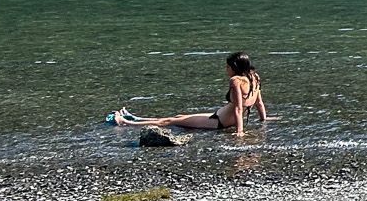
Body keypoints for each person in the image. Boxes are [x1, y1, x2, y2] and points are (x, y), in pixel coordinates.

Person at [113, 53, 268, 138]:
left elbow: (238, 109)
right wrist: (264, 120)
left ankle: (125, 122)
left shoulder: (235, 81)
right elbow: (259, 103)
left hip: (219, 122)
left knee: (169, 121)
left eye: (227, 67)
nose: (226, 70)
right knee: (179, 117)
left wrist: (240, 131)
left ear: (234, 67)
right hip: (221, 118)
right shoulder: (254, 77)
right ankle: (138, 118)